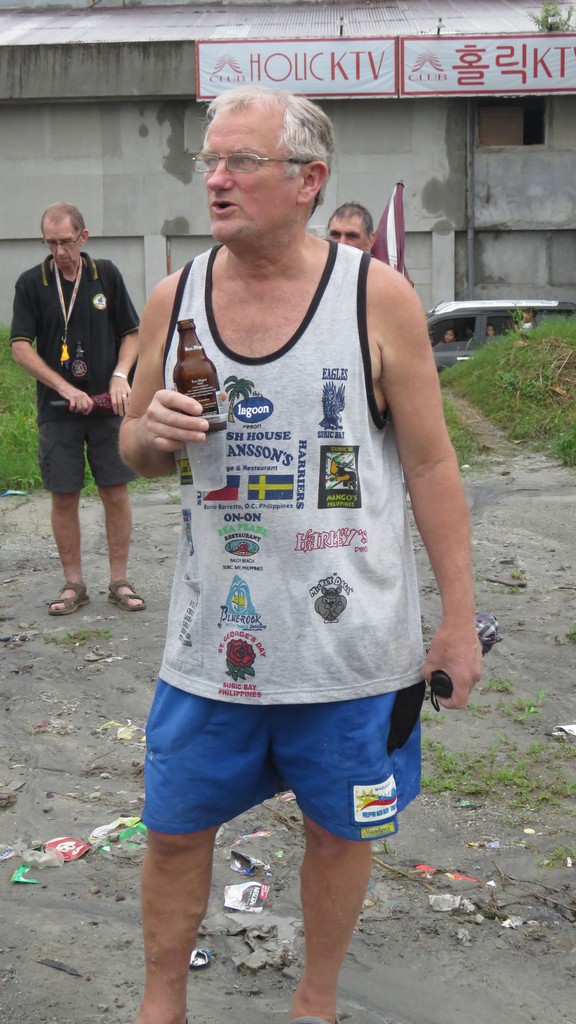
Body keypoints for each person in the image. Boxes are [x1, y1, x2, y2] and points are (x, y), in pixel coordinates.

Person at [120, 85, 482, 1024]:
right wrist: (148, 434)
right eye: (209, 161)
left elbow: (433, 463)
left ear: (308, 179)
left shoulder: (377, 296)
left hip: (352, 652)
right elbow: (136, 446)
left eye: (241, 161)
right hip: (211, 645)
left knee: (339, 831)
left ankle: (315, 1003)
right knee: (173, 832)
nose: (217, 179)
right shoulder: (173, 297)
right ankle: (162, 1004)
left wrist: (457, 620)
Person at [10, 202, 145, 615]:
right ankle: (73, 584)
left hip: (108, 404)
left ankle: (119, 581)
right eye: (51, 243)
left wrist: (120, 375)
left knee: (114, 492)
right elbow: (20, 347)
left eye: (66, 242)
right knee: (64, 495)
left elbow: (132, 334)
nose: (59, 251)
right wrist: (65, 387)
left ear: (83, 237)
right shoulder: (31, 283)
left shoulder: (106, 274)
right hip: (58, 408)